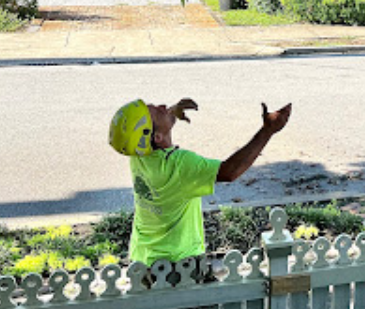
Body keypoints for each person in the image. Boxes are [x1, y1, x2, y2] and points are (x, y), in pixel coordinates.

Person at [108, 96, 292, 268]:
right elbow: (230, 171)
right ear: (157, 137)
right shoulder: (179, 165)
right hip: (177, 264)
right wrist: (268, 130)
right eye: (157, 111)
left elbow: (147, 133)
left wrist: (171, 113)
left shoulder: (139, 157)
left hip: (142, 259)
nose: (163, 106)